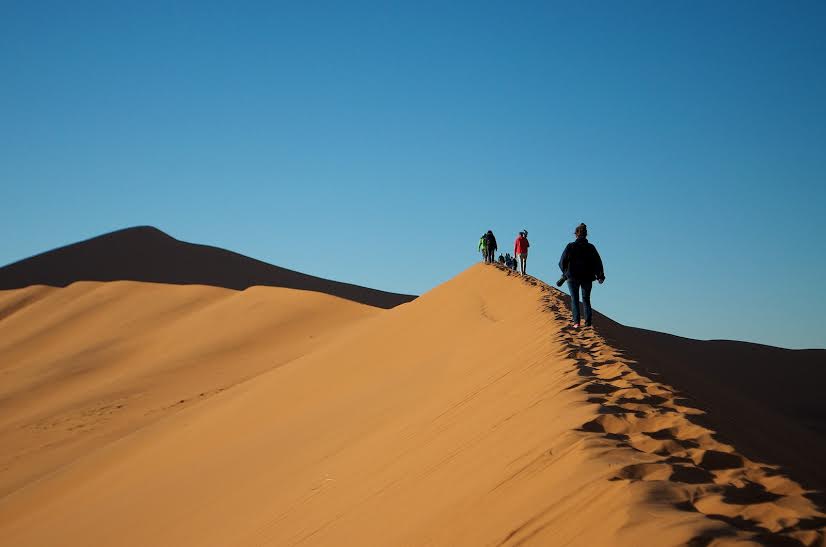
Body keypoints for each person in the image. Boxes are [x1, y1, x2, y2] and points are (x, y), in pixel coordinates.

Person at [558, 223, 605, 328]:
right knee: (586, 299)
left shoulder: (570, 246)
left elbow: (561, 262)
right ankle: (588, 323)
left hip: (572, 277)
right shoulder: (591, 247)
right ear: (586, 235)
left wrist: (565, 273)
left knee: (574, 299)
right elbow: (598, 262)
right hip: (587, 277)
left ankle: (576, 323)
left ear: (576, 235)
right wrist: (600, 276)